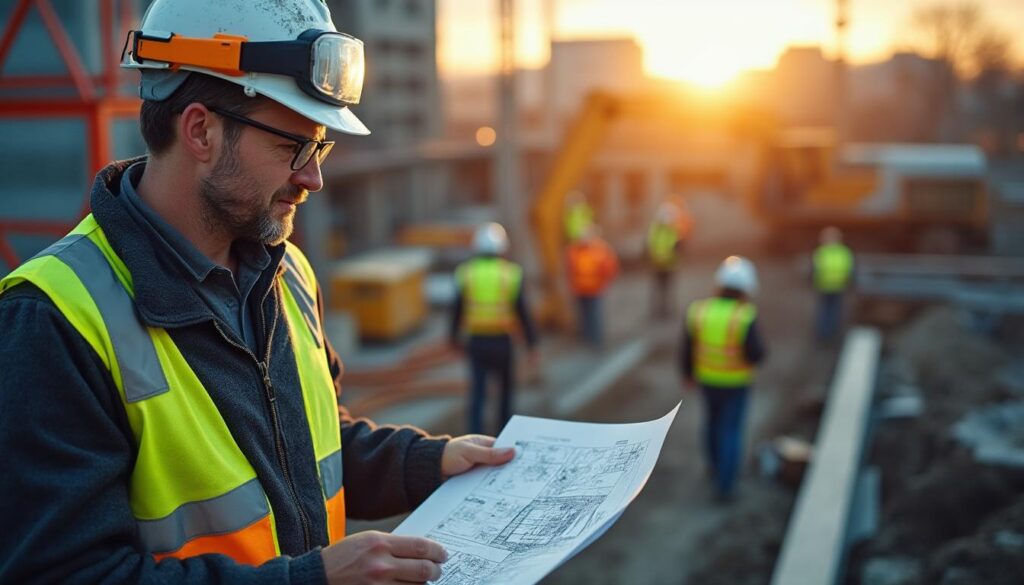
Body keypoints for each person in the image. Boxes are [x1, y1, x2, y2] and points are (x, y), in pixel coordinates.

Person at [0, 2, 514, 583]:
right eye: (292, 147)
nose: (313, 178)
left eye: (320, 148)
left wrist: (429, 462)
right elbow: (65, 573)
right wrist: (308, 579)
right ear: (200, 131)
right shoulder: (51, 321)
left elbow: (306, 447)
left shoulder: (286, 272)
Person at [680, 256, 766, 501]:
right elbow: (756, 353)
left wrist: (687, 374)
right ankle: (725, 485)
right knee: (730, 430)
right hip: (736, 383)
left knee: (711, 424)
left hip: (707, 381)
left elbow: (687, 347)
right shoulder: (745, 316)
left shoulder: (698, 311)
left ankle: (713, 466)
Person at [449, 223, 539, 435]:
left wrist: (453, 338)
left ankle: (474, 437)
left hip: (477, 341)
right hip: (502, 341)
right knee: (506, 393)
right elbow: (522, 312)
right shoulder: (510, 274)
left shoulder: (466, 273)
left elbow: (457, 309)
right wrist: (532, 344)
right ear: (502, 248)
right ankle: (504, 437)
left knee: (478, 393)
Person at [566, 226, 619, 349]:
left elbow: (610, 267)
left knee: (595, 316)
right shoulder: (574, 251)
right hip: (581, 290)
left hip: (595, 289)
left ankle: (597, 341)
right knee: (585, 317)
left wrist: (606, 282)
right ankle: (587, 340)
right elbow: (570, 270)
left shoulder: (600, 249)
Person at [646, 201, 692, 318]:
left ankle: (666, 310)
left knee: (667, 289)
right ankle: (658, 311)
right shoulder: (657, 230)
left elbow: (678, 246)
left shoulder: (672, 230)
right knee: (659, 288)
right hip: (659, 265)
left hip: (669, 265)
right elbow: (650, 245)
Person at [812, 226, 854, 342]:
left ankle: (828, 334)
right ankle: (826, 334)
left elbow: (815, 269)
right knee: (829, 310)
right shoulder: (843, 252)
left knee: (829, 310)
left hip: (831, 286)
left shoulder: (821, 252)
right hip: (829, 286)